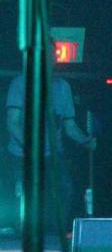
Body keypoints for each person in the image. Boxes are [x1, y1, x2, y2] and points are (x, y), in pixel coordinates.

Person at [6, 58, 96, 233]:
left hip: (52, 154)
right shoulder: (20, 84)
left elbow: (69, 126)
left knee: (65, 188)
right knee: (29, 194)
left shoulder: (63, 88)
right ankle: (24, 232)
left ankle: (57, 233)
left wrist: (85, 140)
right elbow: (12, 123)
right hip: (22, 154)